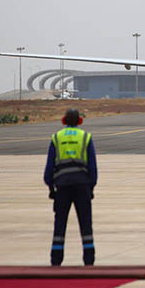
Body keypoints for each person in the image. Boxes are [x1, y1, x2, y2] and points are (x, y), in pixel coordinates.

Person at [44, 108, 97, 266]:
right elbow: (93, 167)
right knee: (85, 224)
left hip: (62, 187)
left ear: (63, 121)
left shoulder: (56, 138)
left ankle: (56, 259)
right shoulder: (85, 137)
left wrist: (51, 189)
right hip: (82, 186)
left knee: (60, 224)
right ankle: (88, 260)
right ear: (80, 121)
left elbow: (49, 168)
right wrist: (91, 188)